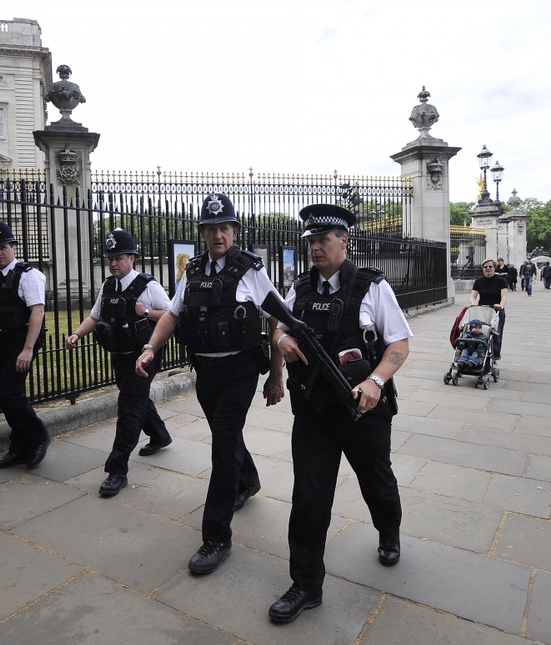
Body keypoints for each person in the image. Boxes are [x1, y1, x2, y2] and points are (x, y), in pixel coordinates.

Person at [268, 204, 412, 624]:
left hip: (364, 410)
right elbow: (278, 323)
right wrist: (280, 341)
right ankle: (306, 585)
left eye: (322, 240)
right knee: (309, 499)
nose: (315, 247)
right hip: (314, 412)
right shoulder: (299, 287)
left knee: (377, 482)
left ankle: (389, 531)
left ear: (344, 241)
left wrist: (376, 381)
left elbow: (399, 343)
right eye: (310, 240)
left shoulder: (371, 285)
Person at [135, 192, 284, 576]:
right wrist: (151, 347)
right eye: (211, 229)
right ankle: (247, 481)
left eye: (224, 228)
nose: (218, 235)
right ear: (203, 233)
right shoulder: (194, 270)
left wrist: (276, 376)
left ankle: (216, 537)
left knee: (222, 444)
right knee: (228, 437)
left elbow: (276, 319)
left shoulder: (252, 270)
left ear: (234, 231)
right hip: (206, 372)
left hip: (239, 371)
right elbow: (172, 313)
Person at [66, 228, 173, 498]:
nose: (113, 262)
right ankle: (160, 435)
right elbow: (95, 316)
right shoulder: (108, 286)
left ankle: (117, 470)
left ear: (132, 258)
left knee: (128, 411)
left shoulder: (148, 286)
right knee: (135, 401)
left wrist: (146, 311)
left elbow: (173, 314)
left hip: (143, 358)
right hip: (120, 358)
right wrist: (78, 333)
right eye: (110, 258)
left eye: (119, 257)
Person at [0, 219, 51, 470]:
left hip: (20, 342)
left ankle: (39, 436)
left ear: (13, 246)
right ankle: (19, 447)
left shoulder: (29, 276)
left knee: (12, 395)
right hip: (1, 342)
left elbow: (37, 312)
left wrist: (28, 349)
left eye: (3, 247)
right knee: (6, 397)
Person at [471, 259, 507, 359]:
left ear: (494, 268)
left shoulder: (501, 281)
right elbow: (473, 296)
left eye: (490, 267)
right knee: (480, 333)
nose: (488, 269)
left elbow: (504, 296)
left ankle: (495, 356)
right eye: (485, 267)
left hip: (496, 311)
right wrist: (474, 304)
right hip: (482, 310)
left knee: (496, 335)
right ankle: (479, 354)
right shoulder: (478, 281)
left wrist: (501, 305)